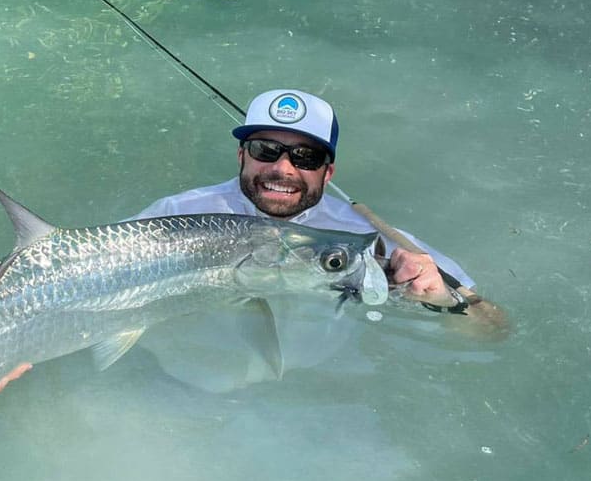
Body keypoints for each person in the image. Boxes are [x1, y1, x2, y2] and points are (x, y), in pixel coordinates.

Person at [138, 88, 506, 335]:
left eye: (305, 157)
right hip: (182, 387)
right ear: (241, 156)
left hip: (324, 395)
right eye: (265, 149)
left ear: (327, 172)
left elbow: (493, 330)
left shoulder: (366, 241)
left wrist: (439, 298)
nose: (282, 169)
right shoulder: (178, 214)